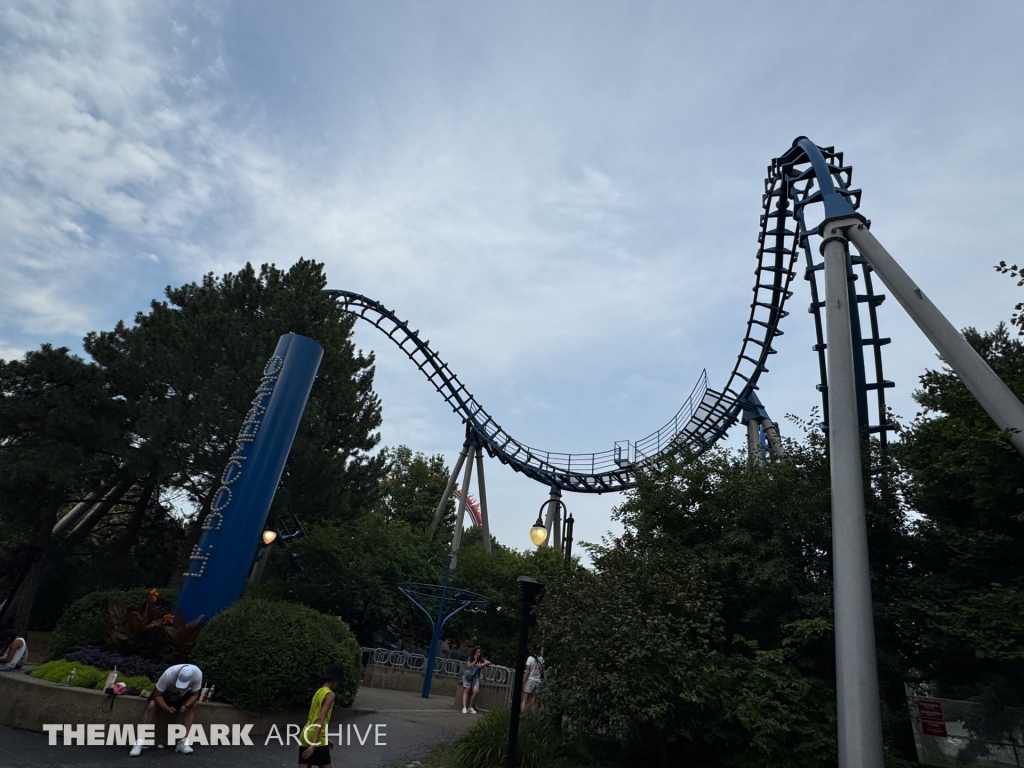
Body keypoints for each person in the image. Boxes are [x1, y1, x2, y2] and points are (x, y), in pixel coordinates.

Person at [130, 663, 203, 757]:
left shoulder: (197, 674)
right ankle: (139, 741)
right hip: (163, 695)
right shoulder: (169, 673)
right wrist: (166, 708)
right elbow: (157, 695)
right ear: (177, 675)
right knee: (152, 706)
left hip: (182, 695)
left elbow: (195, 695)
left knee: (192, 706)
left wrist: (185, 706)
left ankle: (183, 742)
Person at [299, 664, 345, 768]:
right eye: (338, 682)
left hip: (306, 734)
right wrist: (314, 743)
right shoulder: (330, 695)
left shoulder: (318, 692)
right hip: (317, 738)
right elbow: (320, 718)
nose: (338, 684)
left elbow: (312, 716)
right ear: (334, 680)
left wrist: (326, 739)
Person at [461, 647, 491, 714]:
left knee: (475, 691)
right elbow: (469, 666)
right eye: (477, 652)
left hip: (476, 677)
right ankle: (464, 707)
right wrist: (475, 660)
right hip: (468, 676)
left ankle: (470, 707)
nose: (478, 653)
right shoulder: (470, 658)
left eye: (479, 652)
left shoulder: (481, 659)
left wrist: (483, 664)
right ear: (474, 652)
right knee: (466, 690)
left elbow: (489, 662)